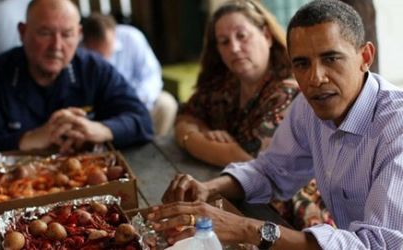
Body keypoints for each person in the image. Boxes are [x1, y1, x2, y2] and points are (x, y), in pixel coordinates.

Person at [147, 0, 403, 249]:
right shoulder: (307, 106)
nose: (316, 78)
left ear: (365, 56)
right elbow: (272, 169)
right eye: (302, 63)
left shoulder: (396, 128)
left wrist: (246, 229)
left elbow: (377, 245)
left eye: (331, 58)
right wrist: (207, 187)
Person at [0, 0, 153, 153]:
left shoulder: (94, 69)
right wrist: (28, 139)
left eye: (67, 34)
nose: (56, 46)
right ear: (23, 32)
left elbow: (142, 120)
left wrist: (101, 129)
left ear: (79, 35)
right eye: (45, 33)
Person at [175, 0, 298, 167]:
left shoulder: (289, 90)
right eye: (224, 41)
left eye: (242, 36)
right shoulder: (226, 83)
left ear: (267, 36)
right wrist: (206, 133)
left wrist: (189, 138)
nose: (234, 48)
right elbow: (186, 115)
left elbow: (248, 157)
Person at [82, 13, 178, 136]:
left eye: (108, 47)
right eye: (98, 53)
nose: (104, 58)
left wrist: (134, 103)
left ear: (114, 32)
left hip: (136, 102)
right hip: (101, 112)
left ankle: (151, 150)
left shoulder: (132, 37)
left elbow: (151, 76)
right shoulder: (78, 50)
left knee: (166, 104)